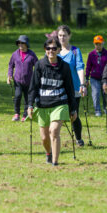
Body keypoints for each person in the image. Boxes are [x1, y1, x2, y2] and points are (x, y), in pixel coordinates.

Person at [28, 37, 77, 166]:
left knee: (54, 131)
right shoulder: (39, 65)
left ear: (59, 50)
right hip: (42, 105)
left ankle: (55, 162)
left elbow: (70, 88)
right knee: (44, 138)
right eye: (48, 48)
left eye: (54, 48)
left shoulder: (65, 67)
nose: (51, 51)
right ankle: (48, 153)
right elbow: (33, 86)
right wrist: (29, 105)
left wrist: (73, 108)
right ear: (45, 50)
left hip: (59, 103)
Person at [57, 25, 86, 146]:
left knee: (73, 114)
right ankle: (55, 139)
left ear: (69, 36)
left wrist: (82, 84)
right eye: (60, 35)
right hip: (58, 88)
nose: (62, 38)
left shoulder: (75, 51)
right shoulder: (54, 51)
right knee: (58, 114)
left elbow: (79, 68)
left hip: (74, 87)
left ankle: (78, 138)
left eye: (64, 35)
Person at [7, 35, 38, 122]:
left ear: (26, 44)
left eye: (22, 43)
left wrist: (36, 77)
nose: (20, 44)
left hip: (29, 81)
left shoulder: (32, 54)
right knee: (17, 95)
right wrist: (9, 76)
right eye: (19, 43)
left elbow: (38, 66)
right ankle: (16, 114)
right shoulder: (15, 54)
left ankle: (25, 115)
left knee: (27, 99)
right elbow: (10, 65)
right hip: (17, 80)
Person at [85, 35, 107, 117]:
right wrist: (86, 78)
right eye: (96, 44)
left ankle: (106, 108)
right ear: (94, 44)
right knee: (95, 94)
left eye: (99, 44)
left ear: (103, 43)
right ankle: (97, 110)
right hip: (94, 78)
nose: (98, 46)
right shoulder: (91, 54)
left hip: (105, 78)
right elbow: (88, 66)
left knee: (106, 94)